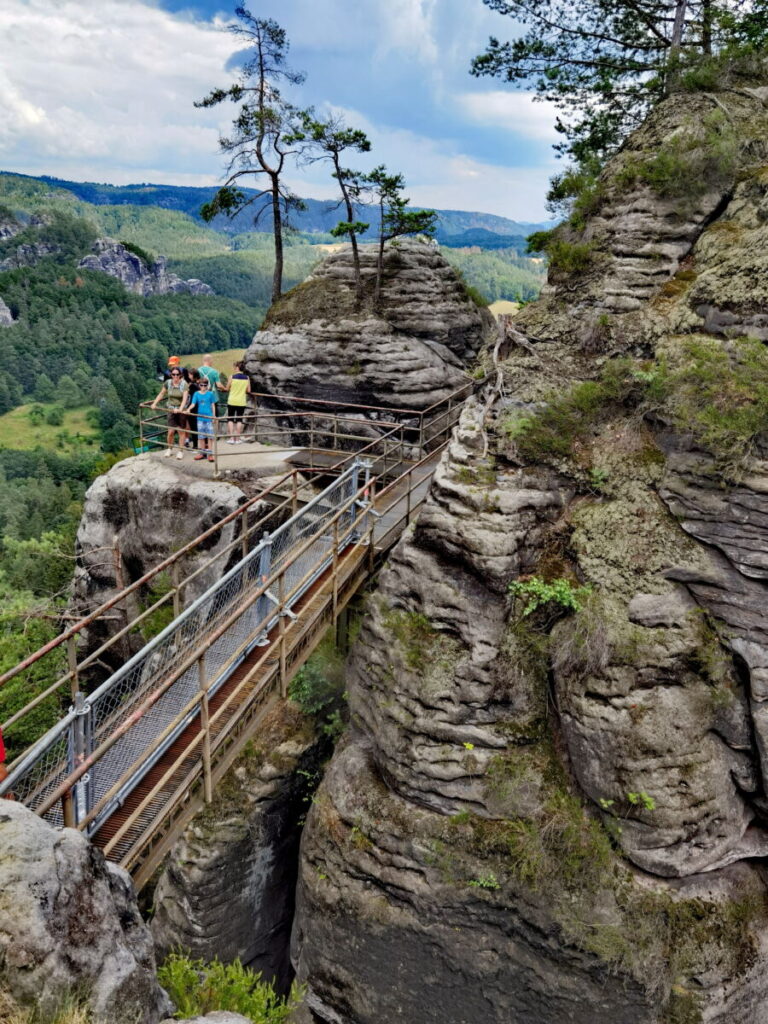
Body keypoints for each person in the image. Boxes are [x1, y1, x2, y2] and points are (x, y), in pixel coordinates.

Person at [151, 367, 188, 457]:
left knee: (181, 431)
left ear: (180, 375)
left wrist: (180, 409)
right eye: (173, 374)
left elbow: (184, 399)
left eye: (177, 374)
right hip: (171, 409)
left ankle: (180, 451)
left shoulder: (184, 384)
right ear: (171, 375)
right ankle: (169, 449)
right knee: (170, 431)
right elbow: (161, 393)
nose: (175, 376)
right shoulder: (168, 383)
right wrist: (154, 403)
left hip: (181, 410)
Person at [183, 376, 217, 462]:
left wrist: (214, 416)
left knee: (210, 437)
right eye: (201, 385)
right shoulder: (196, 394)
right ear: (199, 385)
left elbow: (213, 405)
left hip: (209, 418)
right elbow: (193, 404)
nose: (203, 387)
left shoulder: (210, 394)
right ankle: (201, 453)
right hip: (200, 418)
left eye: (205, 385)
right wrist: (188, 409)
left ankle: (210, 454)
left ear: (207, 385)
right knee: (201, 437)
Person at [222, 361, 251, 444]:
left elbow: (227, 388)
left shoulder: (232, 377)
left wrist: (223, 388)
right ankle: (238, 439)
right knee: (239, 419)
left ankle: (231, 438)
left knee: (230, 419)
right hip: (241, 401)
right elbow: (249, 390)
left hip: (232, 400)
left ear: (238, 367)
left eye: (235, 367)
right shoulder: (247, 378)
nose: (234, 368)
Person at [185, 370, 201, 449]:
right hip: (199, 407)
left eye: (190, 374)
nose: (188, 375)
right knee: (198, 427)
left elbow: (187, 394)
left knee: (193, 427)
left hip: (192, 407)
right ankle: (202, 444)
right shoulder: (199, 384)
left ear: (193, 375)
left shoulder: (192, 385)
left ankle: (195, 445)